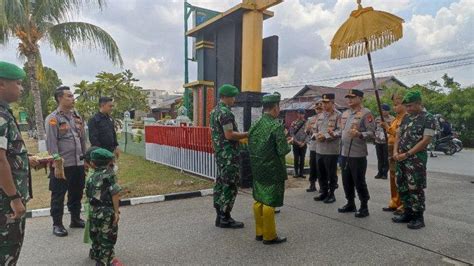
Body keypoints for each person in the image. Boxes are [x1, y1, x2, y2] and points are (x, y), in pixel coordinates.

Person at [0, 61, 39, 265]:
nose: (22, 88)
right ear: (1, 85)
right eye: (17, 83)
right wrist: (14, 198)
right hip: (5, 203)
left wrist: (25, 159)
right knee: (7, 252)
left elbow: (7, 153)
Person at [249, 92, 292, 245]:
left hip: (257, 167)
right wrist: (289, 142)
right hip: (273, 169)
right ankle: (270, 236)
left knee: (259, 198)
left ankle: (259, 232)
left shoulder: (255, 124)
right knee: (269, 201)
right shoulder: (276, 126)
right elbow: (282, 150)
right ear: (275, 108)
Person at [45, 86, 87, 237]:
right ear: (59, 98)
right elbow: (51, 144)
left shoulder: (77, 117)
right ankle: (57, 224)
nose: (72, 98)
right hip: (62, 165)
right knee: (58, 195)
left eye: (72, 96)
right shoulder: (53, 118)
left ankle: (75, 219)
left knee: (77, 193)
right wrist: (56, 164)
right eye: (69, 96)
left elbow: (82, 139)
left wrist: (85, 159)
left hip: (78, 164)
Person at [392, 90, 436, 229]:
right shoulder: (406, 118)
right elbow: (398, 136)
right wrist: (395, 152)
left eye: (411, 106)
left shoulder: (428, 118)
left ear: (419, 103)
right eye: (407, 106)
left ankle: (418, 217)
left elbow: (426, 140)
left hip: (416, 159)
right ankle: (408, 212)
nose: (408, 109)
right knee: (402, 185)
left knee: (415, 187)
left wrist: (408, 154)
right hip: (401, 158)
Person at [209, 84, 248, 229]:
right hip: (229, 155)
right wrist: (247, 134)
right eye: (232, 97)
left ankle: (220, 216)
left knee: (221, 182)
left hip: (221, 154)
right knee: (230, 184)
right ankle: (225, 217)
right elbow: (230, 135)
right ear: (225, 97)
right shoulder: (225, 113)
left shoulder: (214, 111)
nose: (234, 99)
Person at [338, 89, 375, 218]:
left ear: (360, 98)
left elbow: (372, 134)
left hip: (357, 154)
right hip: (344, 154)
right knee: (346, 180)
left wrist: (359, 134)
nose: (349, 100)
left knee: (359, 181)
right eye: (348, 97)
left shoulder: (366, 113)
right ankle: (350, 203)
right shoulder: (345, 113)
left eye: (352, 97)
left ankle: (364, 206)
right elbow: (341, 132)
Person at [85, 148, 122, 265]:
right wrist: (116, 212)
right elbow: (115, 193)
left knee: (96, 237)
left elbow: (88, 195)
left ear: (92, 163)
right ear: (109, 162)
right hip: (107, 212)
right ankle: (103, 262)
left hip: (94, 212)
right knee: (107, 239)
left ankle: (97, 258)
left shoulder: (90, 178)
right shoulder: (110, 176)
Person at [380, 93, 407, 214]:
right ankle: (394, 202)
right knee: (392, 177)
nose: (394, 107)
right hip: (391, 149)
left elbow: (399, 134)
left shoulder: (406, 118)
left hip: (399, 151)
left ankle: (402, 204)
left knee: (400, 178)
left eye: (397, 104)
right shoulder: (396, 118)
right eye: (394, 105)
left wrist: (387, 127)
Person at [313, 93, 341, 204]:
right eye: (323, 102)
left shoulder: (338, 115)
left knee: (331, 174)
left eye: (326, 102)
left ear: (333, 103)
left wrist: (326, 136)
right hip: (319, 149)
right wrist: (316, 136)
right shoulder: (320, 116)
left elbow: (340, 131)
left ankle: (332, 194)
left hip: (331, 150)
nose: (324, 105)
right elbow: (315, 130)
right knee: (321, 173)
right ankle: (323, 192)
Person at [305, 101, 323, 192]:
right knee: (312, 166)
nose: (318, 110)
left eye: (320, 109)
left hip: (322, 146)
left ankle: (322, 186)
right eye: (317, 109)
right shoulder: (311, 119)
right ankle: (312, 184)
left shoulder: (325, 119)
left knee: (320, 167)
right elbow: (307, 132)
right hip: (313, 146)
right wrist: (308, 130)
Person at [374, 104, 394, 180]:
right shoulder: (377, 119)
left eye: (384, 110)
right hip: (378, 141)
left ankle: (385, 173)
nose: (383, 112)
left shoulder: (392, 119)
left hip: (387, 141)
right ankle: (379, 172)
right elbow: (375, 128)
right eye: (382, 110)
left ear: (388, 111)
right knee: (380, 158)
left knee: (386, 158)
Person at [289, 109, 309, 178]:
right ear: (297, 114)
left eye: (302, 114)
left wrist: (304, 142)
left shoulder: (307, 123)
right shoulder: (294, 123)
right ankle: (296, 173)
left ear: (304, 114)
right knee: (296, 158)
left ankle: (301, 173)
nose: (300, 115)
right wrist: (297, 142)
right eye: (299, 113)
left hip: (303, 144)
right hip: (295, 143)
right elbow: (291, 133)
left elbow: (309, 134)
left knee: (302, 158)